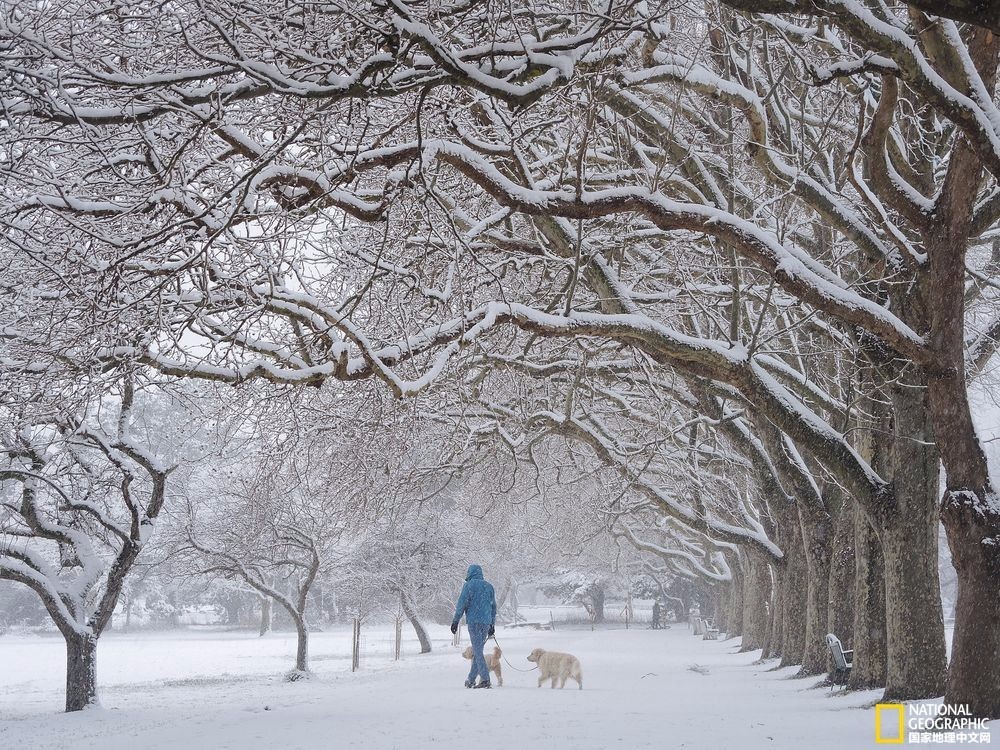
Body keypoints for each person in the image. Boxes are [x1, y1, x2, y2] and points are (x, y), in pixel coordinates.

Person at [450, 564, 497, 689]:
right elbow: (493, 607)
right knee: (478, 650)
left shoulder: (469, 586)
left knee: (477, 651)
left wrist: (455, 621)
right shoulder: (489, 586)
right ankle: (471, 679)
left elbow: (461, 604)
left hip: (474, 622)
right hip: (486, 622)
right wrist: (492, 624)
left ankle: (485, 679)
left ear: (470, 573)